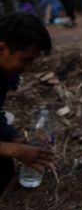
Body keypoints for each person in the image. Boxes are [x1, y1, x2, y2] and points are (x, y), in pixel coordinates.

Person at [0, 12, 54, 195]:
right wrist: (14, 149)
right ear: (2, 49)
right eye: (26, 60)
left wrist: (13, 137)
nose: (28, 68)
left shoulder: (4, 74)